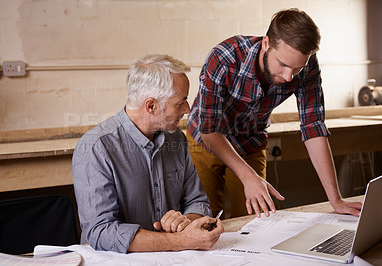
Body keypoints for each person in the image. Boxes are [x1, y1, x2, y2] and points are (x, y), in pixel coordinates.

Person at [187, 8, 362, 219]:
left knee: (257, 221)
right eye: (283, 65)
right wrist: (247, 175)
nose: (289, 77)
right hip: (205, 140)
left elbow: (313, 127)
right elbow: (208, 129)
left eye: (296, 69)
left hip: (249, 142)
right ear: (266, 44)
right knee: (205, 220)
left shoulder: (307, 66)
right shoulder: (224, 58)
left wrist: (336, 200)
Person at [72, 54, 223, 253]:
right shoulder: (95, 148)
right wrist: (181, 241)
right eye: (181, 102)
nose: (187, 109)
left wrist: (187, 222)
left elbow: (197, 201)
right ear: (151, 106)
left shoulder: (176, 138)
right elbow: (100, 231)